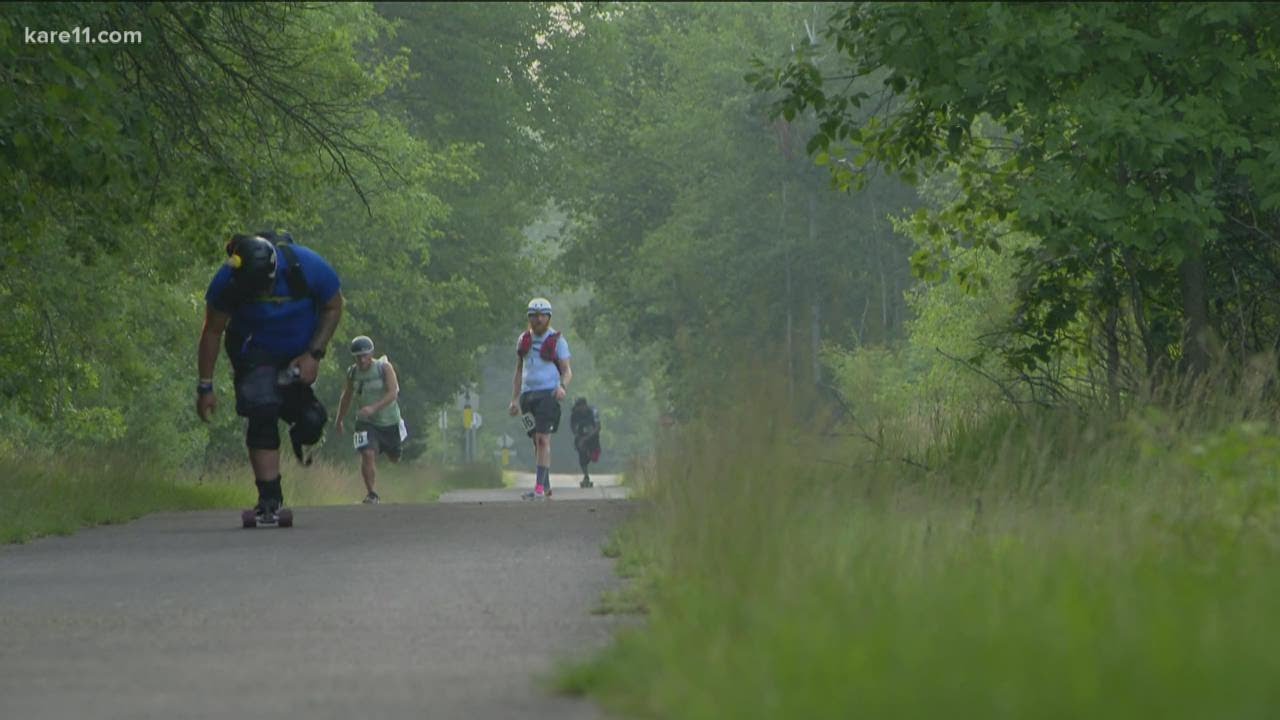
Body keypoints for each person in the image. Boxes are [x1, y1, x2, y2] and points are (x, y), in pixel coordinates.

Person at [196, 231, 343, 523]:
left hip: (299, 352)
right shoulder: (226, 281)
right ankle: (269, 500)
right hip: (253, 351)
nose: (259, 294)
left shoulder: (308, 266)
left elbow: (334, 307)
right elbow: (212, 331)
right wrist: (205, 387)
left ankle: (301, 433)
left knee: (312, 421)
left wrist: (314, 354)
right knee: (262, 408)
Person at [508, 297, 572, 500]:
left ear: (548, 317)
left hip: (548, 395)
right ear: (529, 318)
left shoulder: (557, 341)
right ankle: (545, 485)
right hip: (528, 397)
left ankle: (538, 489)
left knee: (544, 439)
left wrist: (562, 387)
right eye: (534, 316)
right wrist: (514, 399)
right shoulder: (523, 340)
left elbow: (567, 370)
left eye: (542, 316)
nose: (538, 320)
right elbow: (519, 370)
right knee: (536, 441)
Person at [335, 335, 404, 504]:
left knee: (395, 458)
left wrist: (374, 408)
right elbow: (347, 396)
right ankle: (372, 493)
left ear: (371, 354)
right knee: (367, 453)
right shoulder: (352, 372)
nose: (362, 360)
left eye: (365, 356)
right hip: (366, 422)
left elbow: (393, 393)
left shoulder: (384, 368)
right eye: (358, 357)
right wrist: (339, 419)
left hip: (389, 421)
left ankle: (390, 450)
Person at [570, 397, 601, 488]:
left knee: (594, 458)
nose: (579, 410)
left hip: (593, 435)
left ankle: (590, 454)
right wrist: (579, 437)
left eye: (580, 407)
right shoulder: (574, 414)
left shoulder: (593, 412)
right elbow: (573, 427)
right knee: (582, 455)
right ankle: (586, 476)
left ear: (584, 406)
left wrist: (587, 437)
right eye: (577, 408)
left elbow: (598, 427)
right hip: (581, 435)